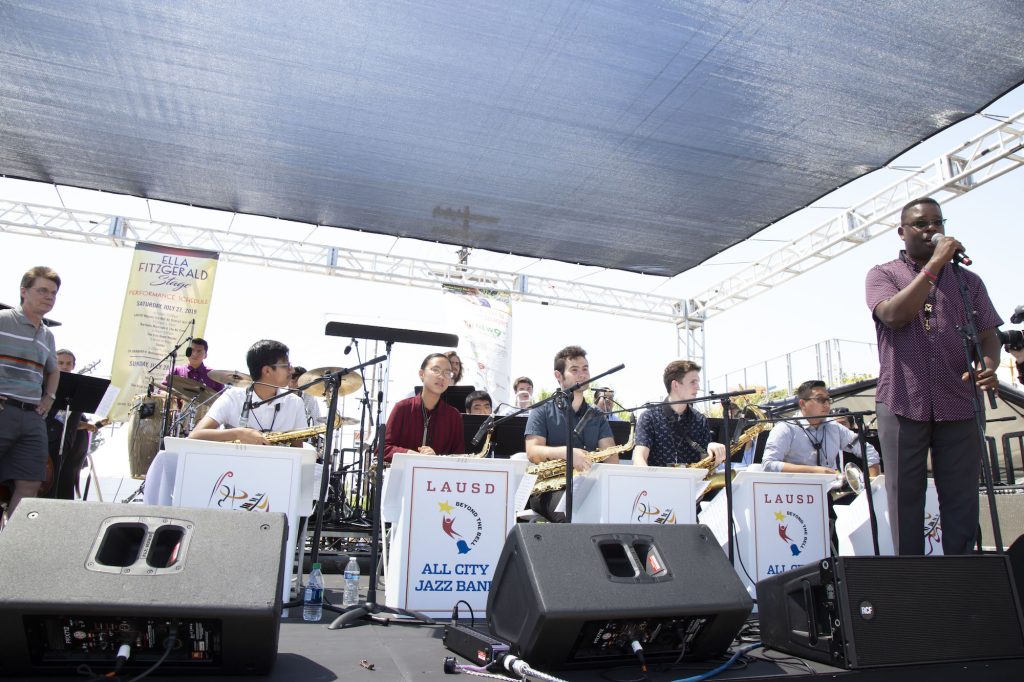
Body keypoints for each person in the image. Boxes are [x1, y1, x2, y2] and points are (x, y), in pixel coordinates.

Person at [866, 196, 1001, 555]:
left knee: (961, 496)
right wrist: (936, 264)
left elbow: (989, 333)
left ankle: (962, 581)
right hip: (902, 400)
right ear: (902, 232)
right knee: (905, 495)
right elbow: (894, 315)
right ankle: (913, 583)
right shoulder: (883, 275)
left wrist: (989, 364)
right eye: (921, 224)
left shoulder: (968, 281)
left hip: (958, 401)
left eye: (937, 222)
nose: (931, 230)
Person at [525, 345, 616, 521]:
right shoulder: (541, 410)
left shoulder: (597, 415)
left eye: (585, 368)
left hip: (587, 485)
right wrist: (568, 454)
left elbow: (611, 458)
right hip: (548, 488)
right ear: (558, 376)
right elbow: (533, 452)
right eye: (574, 370)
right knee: (573, 514)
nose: (582, 374)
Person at [0, 266, 61, 516]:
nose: (49, 297)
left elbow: (54, 370)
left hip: (33, 417)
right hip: (4, 410)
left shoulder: (48, 335)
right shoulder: (3, 320)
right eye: (43, 290)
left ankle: (10, 550)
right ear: (24, 292)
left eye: (54, 293)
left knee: (31, 482)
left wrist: (49, 397)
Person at [188, 339, 306, 446]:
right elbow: (195, 436)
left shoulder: (295, 403)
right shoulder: (233, 396)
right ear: (267, 371)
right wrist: (238, 433)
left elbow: (298, 449)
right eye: (287, 365)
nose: (292, 370)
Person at [761, 381, 880, 475]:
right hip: (794, 498)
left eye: (828, 399)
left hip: (829, 495)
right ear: (802, 404)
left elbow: (869, 451)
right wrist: (814, 471)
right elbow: (768, 465)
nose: (827, 404)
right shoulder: (785, 428)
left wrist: (871, 487)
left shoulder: (835, 428)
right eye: (820, 399)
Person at [632, 360, 727, 468]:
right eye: (693, 382)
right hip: (657, 482)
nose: (698, 387)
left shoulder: (700, 419)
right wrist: (648, 481)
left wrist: (713, 452)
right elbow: (639, 457)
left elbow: (705, 463)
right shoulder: (649, 417)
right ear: (675, 385)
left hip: (692, 483)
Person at [384, 353, 465, 462]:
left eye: (447, 373)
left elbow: (459, 457)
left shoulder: (454, 416)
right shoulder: (402, 408)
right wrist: (409, 454)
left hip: (438, 478)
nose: (441, 376)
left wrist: (437, 459)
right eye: (436, 370)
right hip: (403, 477)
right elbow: (383, 449)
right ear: (422, 374)